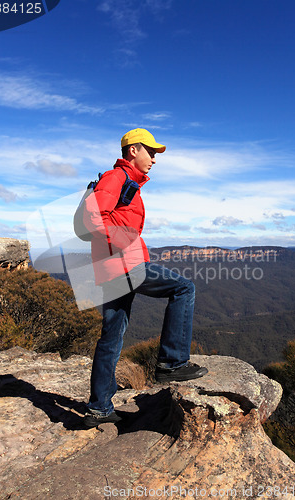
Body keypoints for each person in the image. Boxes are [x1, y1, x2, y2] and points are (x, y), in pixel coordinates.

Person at [83, 128, 208, 428]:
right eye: (150, 152)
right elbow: (91, 217)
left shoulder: (126, 182)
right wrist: (123, 242)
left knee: (111, 337)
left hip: (109, 268)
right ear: (132, 151)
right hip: (125, 266)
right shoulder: (117, 178)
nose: (154, 158)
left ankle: (98, 408)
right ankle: (172, 363)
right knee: (184, 289)